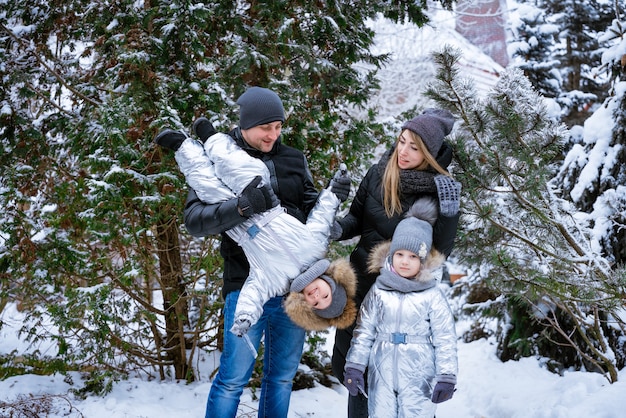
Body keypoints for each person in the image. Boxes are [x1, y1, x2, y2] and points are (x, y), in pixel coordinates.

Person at [181, 86, 349, 418]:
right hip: (246, 285)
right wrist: (241, 207)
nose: (273, 135)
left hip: (296, 292)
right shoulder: (219, 159)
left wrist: (333, 204)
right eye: (265, 128)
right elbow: (195, 221)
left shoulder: (293, 159)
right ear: (244, 124)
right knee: (233, 378)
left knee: (281, 378)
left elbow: (311, 208)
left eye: (278, 127)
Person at [154, 125, 354, 335]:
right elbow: (322, 216)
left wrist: (245, 317)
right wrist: (334, 192)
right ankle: (212, 138)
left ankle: (183, 145)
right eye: (325, 295)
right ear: (330, 284)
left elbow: (255, 291)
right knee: (243, 168)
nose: (316, 296)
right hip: (267, 204)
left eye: (316, 303)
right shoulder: (317, 246)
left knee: (207, 186)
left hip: (239, 227)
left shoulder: (277, 283)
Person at [330, 108, 461, 417]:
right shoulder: (379, 173)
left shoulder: (442, 190)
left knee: (397, 382)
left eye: (414, 147)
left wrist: (450, 214)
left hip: (403, 306)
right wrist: (335, 227)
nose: (403, 151)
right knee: (353, 372)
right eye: (402, 141)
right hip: (362, 291)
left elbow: (439, 254)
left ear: (429, 153)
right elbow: (354, 221)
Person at [343, 198, 458, 417]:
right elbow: (364, 332)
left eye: (413, 256)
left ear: (423, 260)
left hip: (419, 375)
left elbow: (445, 338)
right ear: (391, 255)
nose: (404, 261)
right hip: (381, 374)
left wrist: (447, 375)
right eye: (400, 254)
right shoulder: (379, 291)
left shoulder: (432, 295)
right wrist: (355, 365)